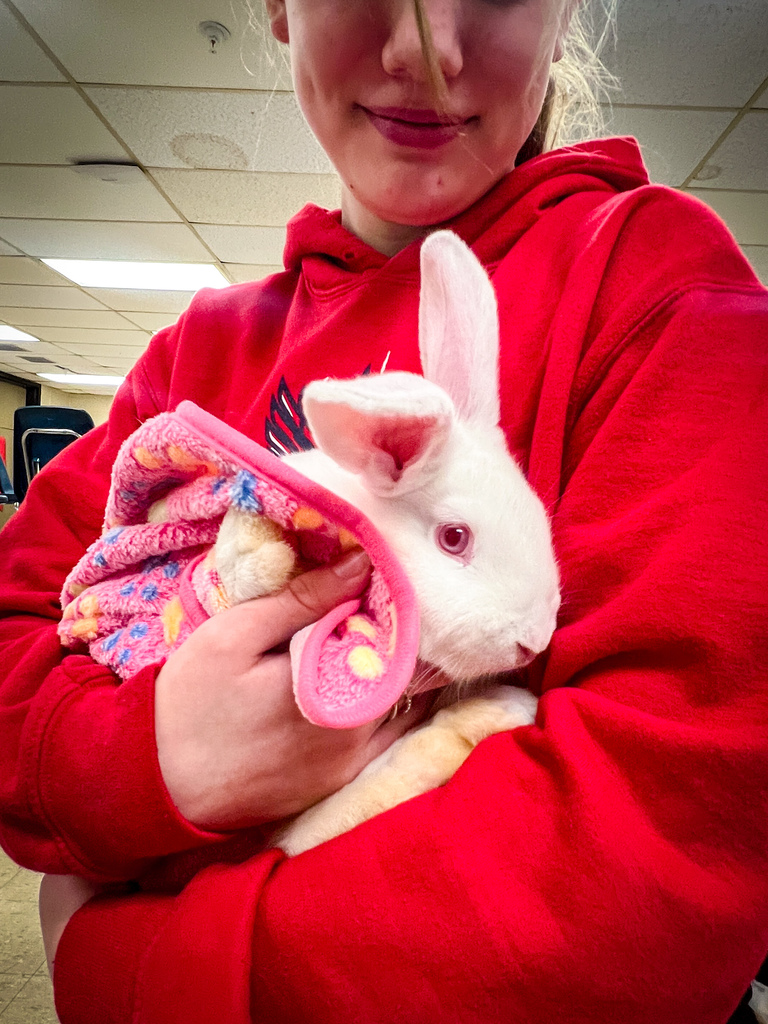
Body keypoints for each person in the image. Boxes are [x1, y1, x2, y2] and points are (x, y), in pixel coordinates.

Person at [1, 0, 767, 1020]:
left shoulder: (662, 289)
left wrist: (130, 966)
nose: (428, 54)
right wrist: (160, 756)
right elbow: (22, 639)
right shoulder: (197, 357)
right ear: (278, 7)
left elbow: (647, 875)